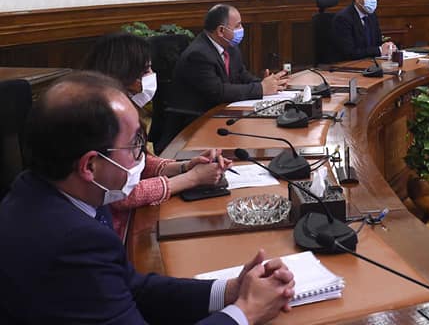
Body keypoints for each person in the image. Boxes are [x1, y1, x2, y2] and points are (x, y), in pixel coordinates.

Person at [0, 71, 295, 324]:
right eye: (135, 145)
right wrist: (245, 313)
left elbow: (131, 287)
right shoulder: (72, 242)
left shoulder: (56, 192)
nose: (142, 156)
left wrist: (230, 291)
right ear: (90, 166)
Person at [81, 32, 232, 240]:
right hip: (114, 232)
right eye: (146, 70)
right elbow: (122, 194)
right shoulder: (100, 119)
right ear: (126, 75)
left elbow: (140, 161)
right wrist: (192, 179)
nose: (153, 75)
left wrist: (185, 166)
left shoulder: (124, 108)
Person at [169, 4, 288, 114]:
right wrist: (260, 89)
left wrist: (265, 83)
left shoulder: (230, 47)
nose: (242, 29)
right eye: (237, 25)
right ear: (221, 30)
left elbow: (241, 75)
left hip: (222, 110)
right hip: (197, 118)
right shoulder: (198, 54)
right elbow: (218, 92)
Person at [332, 0, 396, 61]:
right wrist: (379, 50)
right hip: (348, 64)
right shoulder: (343, 18)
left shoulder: (371, 15)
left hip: (369, 62)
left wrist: (388, 47)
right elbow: (349, 52)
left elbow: (377, 42)